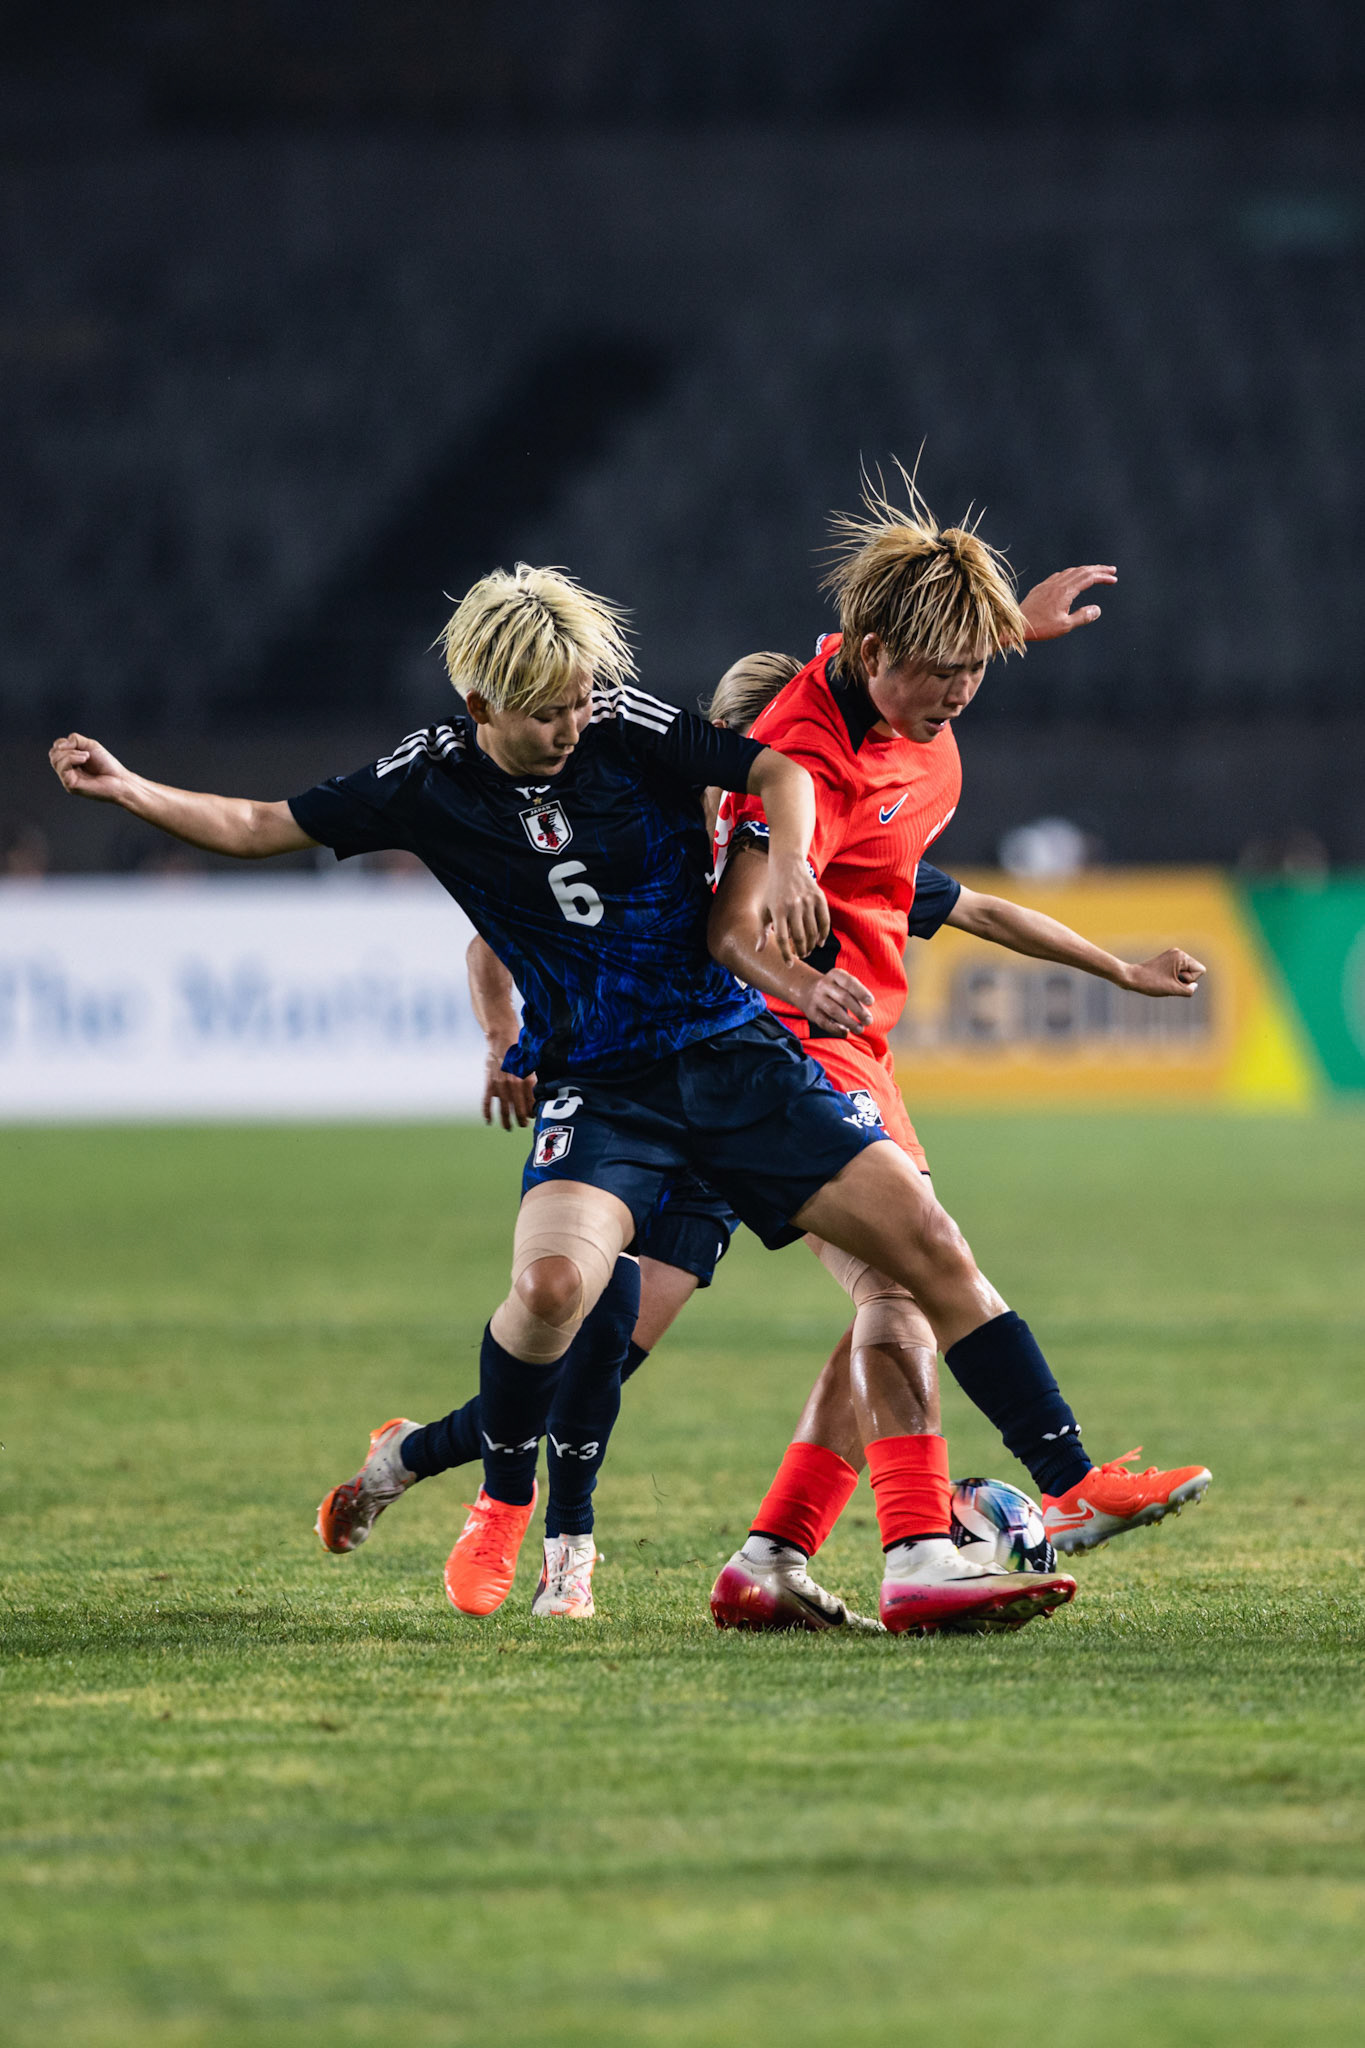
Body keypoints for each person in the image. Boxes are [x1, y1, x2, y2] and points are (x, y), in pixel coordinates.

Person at [50, 557, 1086, 1636]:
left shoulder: (720, 788)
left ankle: (810, 1545)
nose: (579, 724)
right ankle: (508, 1498)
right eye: (554, 710)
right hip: (627, 1091)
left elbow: (916, 824)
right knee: (583, 1330)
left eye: (585, 701)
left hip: (742, 1073)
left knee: (892, 1274)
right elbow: (380, 880)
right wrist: (506, 1033)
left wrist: (1000, 644)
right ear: (485, 703)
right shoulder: (501, 779)